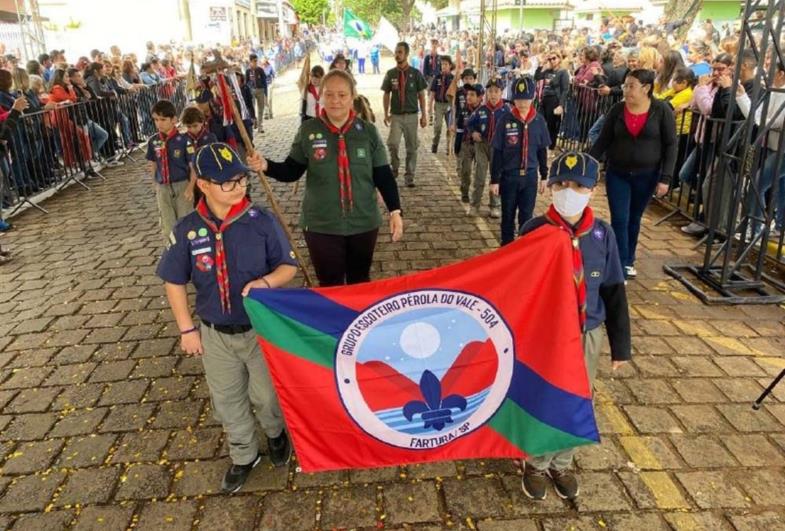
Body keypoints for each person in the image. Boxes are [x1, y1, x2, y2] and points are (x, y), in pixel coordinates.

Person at [157, 142, 297, 494]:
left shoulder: (261, 222)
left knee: (266, 396)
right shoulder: (187, 230)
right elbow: (173, 280)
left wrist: (266, 282)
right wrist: (186, 329)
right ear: (203, 185)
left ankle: (276, 433)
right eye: (227, 183)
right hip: (214, 334)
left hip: (259, 330)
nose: (238, 188)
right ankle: (244, 454)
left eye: (241, 180)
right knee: (227, 400)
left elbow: (288, 267)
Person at [518, 151, 631, 501]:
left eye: (578, 186)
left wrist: (620, 346)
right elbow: (518, 287)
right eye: (561, 184)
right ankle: (535, 463)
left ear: (592, 190)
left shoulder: (602, 235)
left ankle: (562, 462)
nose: (569, 191)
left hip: (587, 334)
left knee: (579, 399)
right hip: (546, 336)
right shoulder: (535, 230)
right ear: (549, 187)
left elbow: (613, 291)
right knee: (545, 398)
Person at [258, 69, 403, 286]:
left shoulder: (368, 132)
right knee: (329, 284)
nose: (335, 101)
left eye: (342, 95)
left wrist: (395, 211)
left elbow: (383, 175)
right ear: (321, 96)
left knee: (359, 281)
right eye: (329, 94)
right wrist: (265, 165)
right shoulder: (308, 130)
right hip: (321, 225)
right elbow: (292, 171)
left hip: (363, 222)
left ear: (352, 95)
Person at [589, 69, 677, 279]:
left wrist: (666, 177)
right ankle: (618, 262)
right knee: (619, 218)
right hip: (617, 172)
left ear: (646, 88)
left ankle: (628, 259)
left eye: (631, 86)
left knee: (634, 218)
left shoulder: (661, 110)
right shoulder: (617, 110)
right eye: (625, 85)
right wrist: (588, 165)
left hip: (646, 175)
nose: (626, 90)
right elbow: (603, 140)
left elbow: (671, 144)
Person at [490, 76, 551, 245]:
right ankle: (506, 246)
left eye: (526, 99)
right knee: (507, 214)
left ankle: (523, 248)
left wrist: (544, 176)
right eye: (518, 99)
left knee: (526, 216)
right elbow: (498, 151)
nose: (522, 103)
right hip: (509, 176)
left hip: (530, 177)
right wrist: (495, 179)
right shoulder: (505, 121)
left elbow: (542, 150)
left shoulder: (539, 121)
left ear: (532, 99)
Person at [147, 99, 197, 242]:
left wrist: (191, 186)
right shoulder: (153, 141)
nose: (159, 123)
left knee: (185, 221)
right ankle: (172, 253)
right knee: (167, 224)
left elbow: (193, 166)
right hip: (162, 187)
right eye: (156, 119)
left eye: (163, 119)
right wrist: (154, 183)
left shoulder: (184, 140)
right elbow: (153, 163)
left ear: (174, 119)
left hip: (182, 185)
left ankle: (189, 252)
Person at [382, 42, 428, 187]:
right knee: (393, 143)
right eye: (396, 52)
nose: (397, 55)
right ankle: (394, 167)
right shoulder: (391, 74)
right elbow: (386, 94)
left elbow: (421, 94)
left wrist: (424, 115)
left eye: (400, 52)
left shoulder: (415, 74)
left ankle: (410, 176)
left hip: (412, 116)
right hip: (396, 115)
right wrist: (385, 113)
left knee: (411, 147)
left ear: (407, 54)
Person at [466, 77, 508, 218]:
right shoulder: (481, 110)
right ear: (486, 93)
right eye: (490, 91)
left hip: (499, 148)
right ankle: (474, 204)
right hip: (482, 145)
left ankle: (495, 205)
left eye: (496, 91)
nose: (493, 94)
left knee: (497, 177)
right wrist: (473, 133)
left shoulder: (507, 111)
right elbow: (469, 123)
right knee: (480, 176)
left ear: (501, 93)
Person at [535, 51, 569, 150]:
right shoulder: (548, 71)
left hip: (554, 99)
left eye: (554, 58)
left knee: (552, 125)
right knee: (538, 120)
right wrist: (541, 64)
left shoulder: (563, 72)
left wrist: (561, 105)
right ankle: (541, 143)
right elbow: (537, 77)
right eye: (550, 59)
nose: (552, 61)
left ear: (559, 59)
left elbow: (565, 90)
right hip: (545, 99)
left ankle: (551, 146)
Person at [457, 83, 483, 208]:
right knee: (465, 170)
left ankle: (476, 197)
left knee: (479, 173)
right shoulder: (464, 110)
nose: (468, 97)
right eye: (467, 94)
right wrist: (457, 146)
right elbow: (460, 129)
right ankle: (464, 191)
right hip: (466, 144)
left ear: (480, 97)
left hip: (480, 146)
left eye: (472, 95)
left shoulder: (484, 111)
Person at [430, 55, 454, 154]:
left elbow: (455, 93)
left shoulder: (453, 79)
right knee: (438, 126)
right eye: (442, 64)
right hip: (439, 105)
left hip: (449, 105)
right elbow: (432, 92)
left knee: (450, 127)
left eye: (446, 64)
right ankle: (435, 143)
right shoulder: (437, 78)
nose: (444, 66)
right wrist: (429, 106)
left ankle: (449, 147)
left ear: (450, 66)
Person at [246, 54, 267, 133]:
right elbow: (246, 82)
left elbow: (264, 81)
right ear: (250, 61)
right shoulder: (248, 71)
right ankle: (254, 120)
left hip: (260, 90)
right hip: (252, 91)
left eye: (256, 61)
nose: (255, 63)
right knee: (252, 107)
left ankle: (260, 126)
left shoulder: (260, 70)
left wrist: (266, 93)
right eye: (254, 61)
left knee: (261, 108)